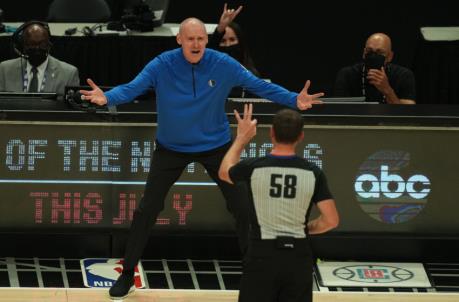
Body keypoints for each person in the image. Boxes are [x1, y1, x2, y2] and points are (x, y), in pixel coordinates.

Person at [80, 17, 323, 299]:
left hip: (215, 146)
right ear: (179, 40)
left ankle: (256, 271)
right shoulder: (162, 64)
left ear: (207, 41)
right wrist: (107, 97)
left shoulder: (223, 64)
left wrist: (295, 100)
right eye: (190, 39)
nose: (196, 44)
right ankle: (127, 274)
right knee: (147, 209)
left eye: (201, 39)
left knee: (243, 207)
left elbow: (259, 86)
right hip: (171, 148)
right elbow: (133, 88)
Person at [218, 104, 339, 302]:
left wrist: (242, 138)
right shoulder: (313, 173)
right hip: (298, 256)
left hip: (261, 255)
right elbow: (331, 220)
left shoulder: (253, 167)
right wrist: (305, 229)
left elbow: (224, 171)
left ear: (271, 133)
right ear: (301, 136)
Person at [0, 21, 80, 98]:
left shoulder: (69, 73)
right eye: (32, 44)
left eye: (42, 44)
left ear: (49, 45)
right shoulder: (4, 69)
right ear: (22, 46)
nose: (37, 48)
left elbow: (72, 108)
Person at [333, 32, 416, 104]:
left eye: (380, 52)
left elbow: (407, 112)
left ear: (390, 56)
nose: (373, 56)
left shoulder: (404, 75)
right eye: (369, 51)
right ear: (364, 53)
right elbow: (339, 108)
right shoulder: (347, 74)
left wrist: (387, 90)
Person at [209, 3, 260, 77]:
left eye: (232, 40)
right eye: (223, 41)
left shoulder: (250, 74)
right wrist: (220, 28)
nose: (228, 44)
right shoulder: (210, 70)